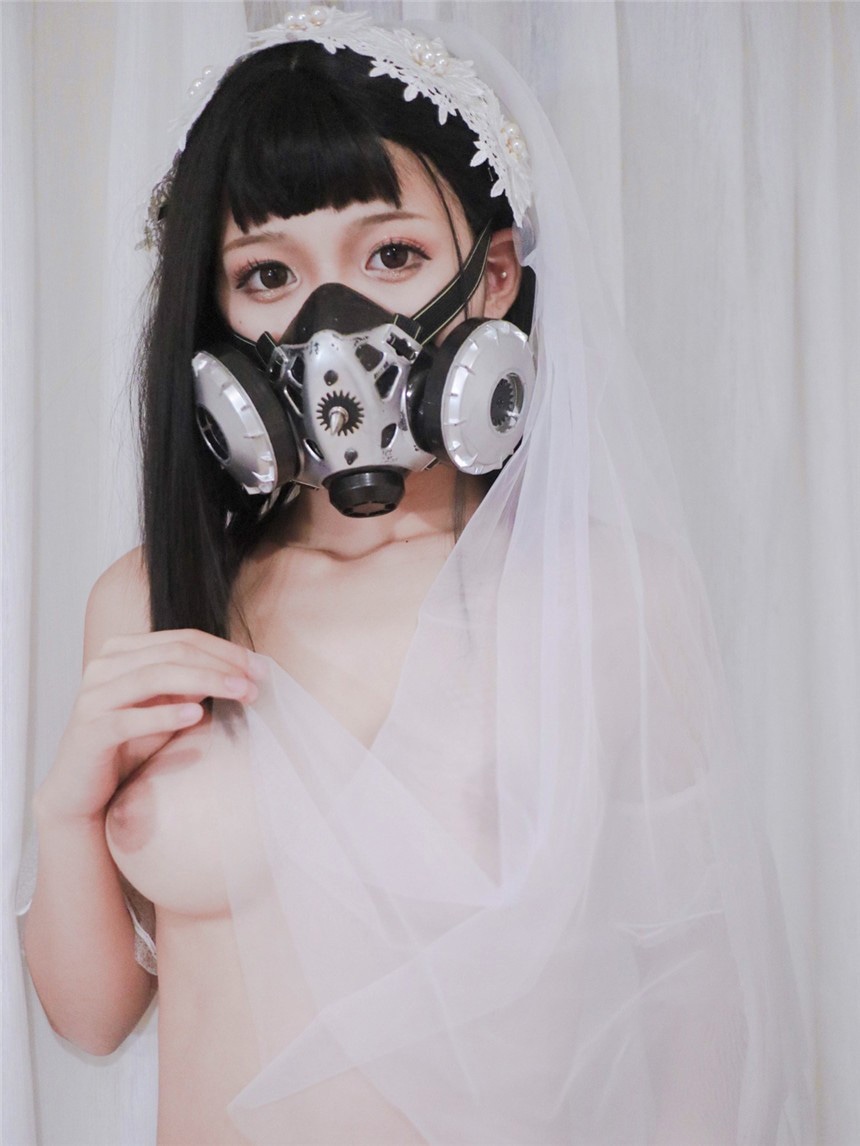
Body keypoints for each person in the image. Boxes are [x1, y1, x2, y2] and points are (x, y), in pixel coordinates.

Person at [22, 8, 809, 1144]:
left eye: (391, 256)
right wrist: (66, 806)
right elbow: (91, 1021)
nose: (329, 323)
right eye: (266, 273)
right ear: (215, 311)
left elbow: (700, 1025)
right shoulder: (149, 602)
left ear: (493, 276)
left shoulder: (600, 595)